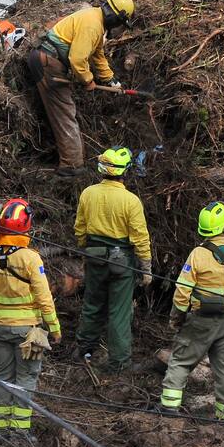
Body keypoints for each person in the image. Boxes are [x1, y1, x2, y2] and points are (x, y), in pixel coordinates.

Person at [160, 202, 224, 420]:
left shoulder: (197, 255)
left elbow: (182, 291)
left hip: (201, 321)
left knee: (181, 361)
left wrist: (176, 318)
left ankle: (169, 409)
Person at [0, 199, 60, 436]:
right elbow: (44, 297)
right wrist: (54, 328)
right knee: (26, 378)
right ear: (26, 226)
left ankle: (2, 429)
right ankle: (20, 433)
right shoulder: (31, 258)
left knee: (3, 377)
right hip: (29, 332)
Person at [26, 0, 135, 175]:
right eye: (120, 24)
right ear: (115, 18)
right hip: (49, 62)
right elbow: (77, 59)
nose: (118, 28)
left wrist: (110, 79)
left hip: (46, 59)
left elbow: (97, 54)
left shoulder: (95, 20)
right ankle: (72, 167)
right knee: (65, 113)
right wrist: (88, 80)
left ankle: (70, 161)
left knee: (61, 111)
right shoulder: (92, 25)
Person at [74, 147, 152, 373]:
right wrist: (145, 267)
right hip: (122, 262)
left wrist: (84, 249)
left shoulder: (88, 193)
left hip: (95, 257)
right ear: (125, 171)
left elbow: (80, 228)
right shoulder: (131, 201)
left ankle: (84, 350)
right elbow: (140, 237)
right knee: (119, 311)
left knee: (92, 304)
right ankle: (119, 363)